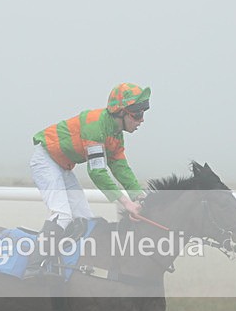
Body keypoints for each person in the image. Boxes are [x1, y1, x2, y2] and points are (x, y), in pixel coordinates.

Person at [25, 82, 150, 277]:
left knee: (85, 218)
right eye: (138, 115)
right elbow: (97, 172)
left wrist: (139, 196)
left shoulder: (116, 134)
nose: (141, 120)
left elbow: (120, 167)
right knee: (62, 214)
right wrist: (126, 203)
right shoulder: (95, 126)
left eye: (143, 113)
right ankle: (33, 267)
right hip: (46, 160)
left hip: (62, 166)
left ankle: (66, 264)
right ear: (121, 113)